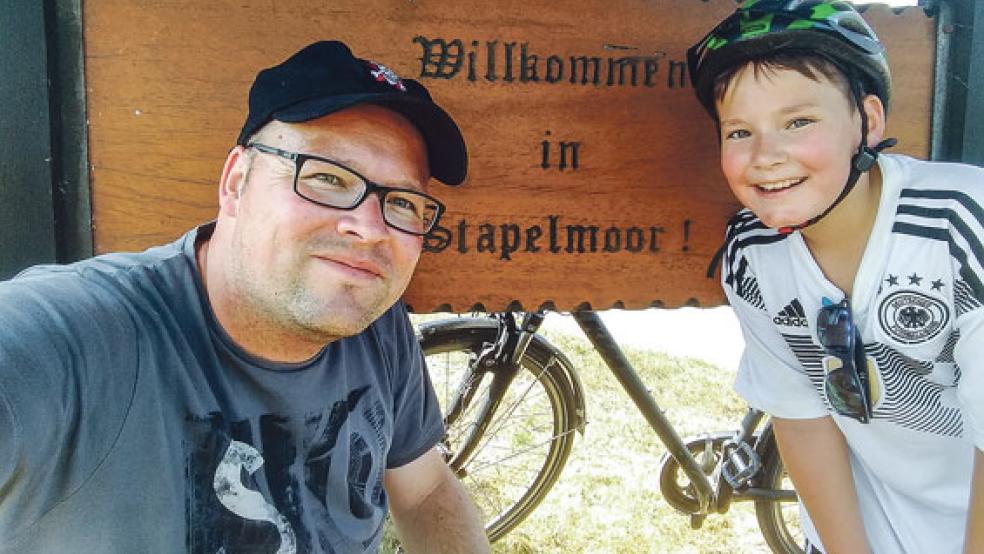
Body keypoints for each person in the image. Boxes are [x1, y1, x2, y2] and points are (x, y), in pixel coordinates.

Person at [0, 40, 490, 554]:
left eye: (404, 202)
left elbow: (426, 489)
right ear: (236, 183)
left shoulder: (374, 323)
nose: (370, 229)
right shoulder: (79, 339)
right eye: (327, 177)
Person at [687, 1, 984, 552]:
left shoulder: (960, 228)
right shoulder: (753, 256)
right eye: (738, 131)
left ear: (867, 122)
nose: (765, 156)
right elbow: (801, 419)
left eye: (798, 122)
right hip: (874, 523)